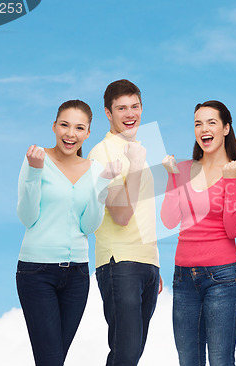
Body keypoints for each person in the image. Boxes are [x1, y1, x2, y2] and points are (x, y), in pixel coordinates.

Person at [16, 100, 120, 366]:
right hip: (36, 272)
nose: (70, 134)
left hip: (77, 276)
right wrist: (34, 173)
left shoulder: (95, 170)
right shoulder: (36, 158)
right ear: (54, 126)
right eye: (64, 125)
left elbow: (88, 227)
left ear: (87, 133)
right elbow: (27, 218)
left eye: (79, 128)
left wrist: (103, 186)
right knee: (50, 360)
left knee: (55, 359)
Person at [161, 100, 236, 366]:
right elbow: (168, 220)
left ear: (225, 128)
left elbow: (234, 229)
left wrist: (232, 182)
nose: (204, 129)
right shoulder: (184, 170)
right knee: (188, 360)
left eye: (211, 122)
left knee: (221, 360)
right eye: (198, 124)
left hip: (222, 278)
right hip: (183, 278)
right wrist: (172, 178)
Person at [87, 79, 161, 366]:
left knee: (132, 354)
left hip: (146, 264)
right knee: (125, 354)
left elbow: (145, 213)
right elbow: (121, 215)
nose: (130, 114)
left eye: (135, 106)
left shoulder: (141, 148)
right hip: (120, 263)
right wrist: (138, 167)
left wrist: (155, 264)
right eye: (121, 108)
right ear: (108, 113)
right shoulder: (102, 153)